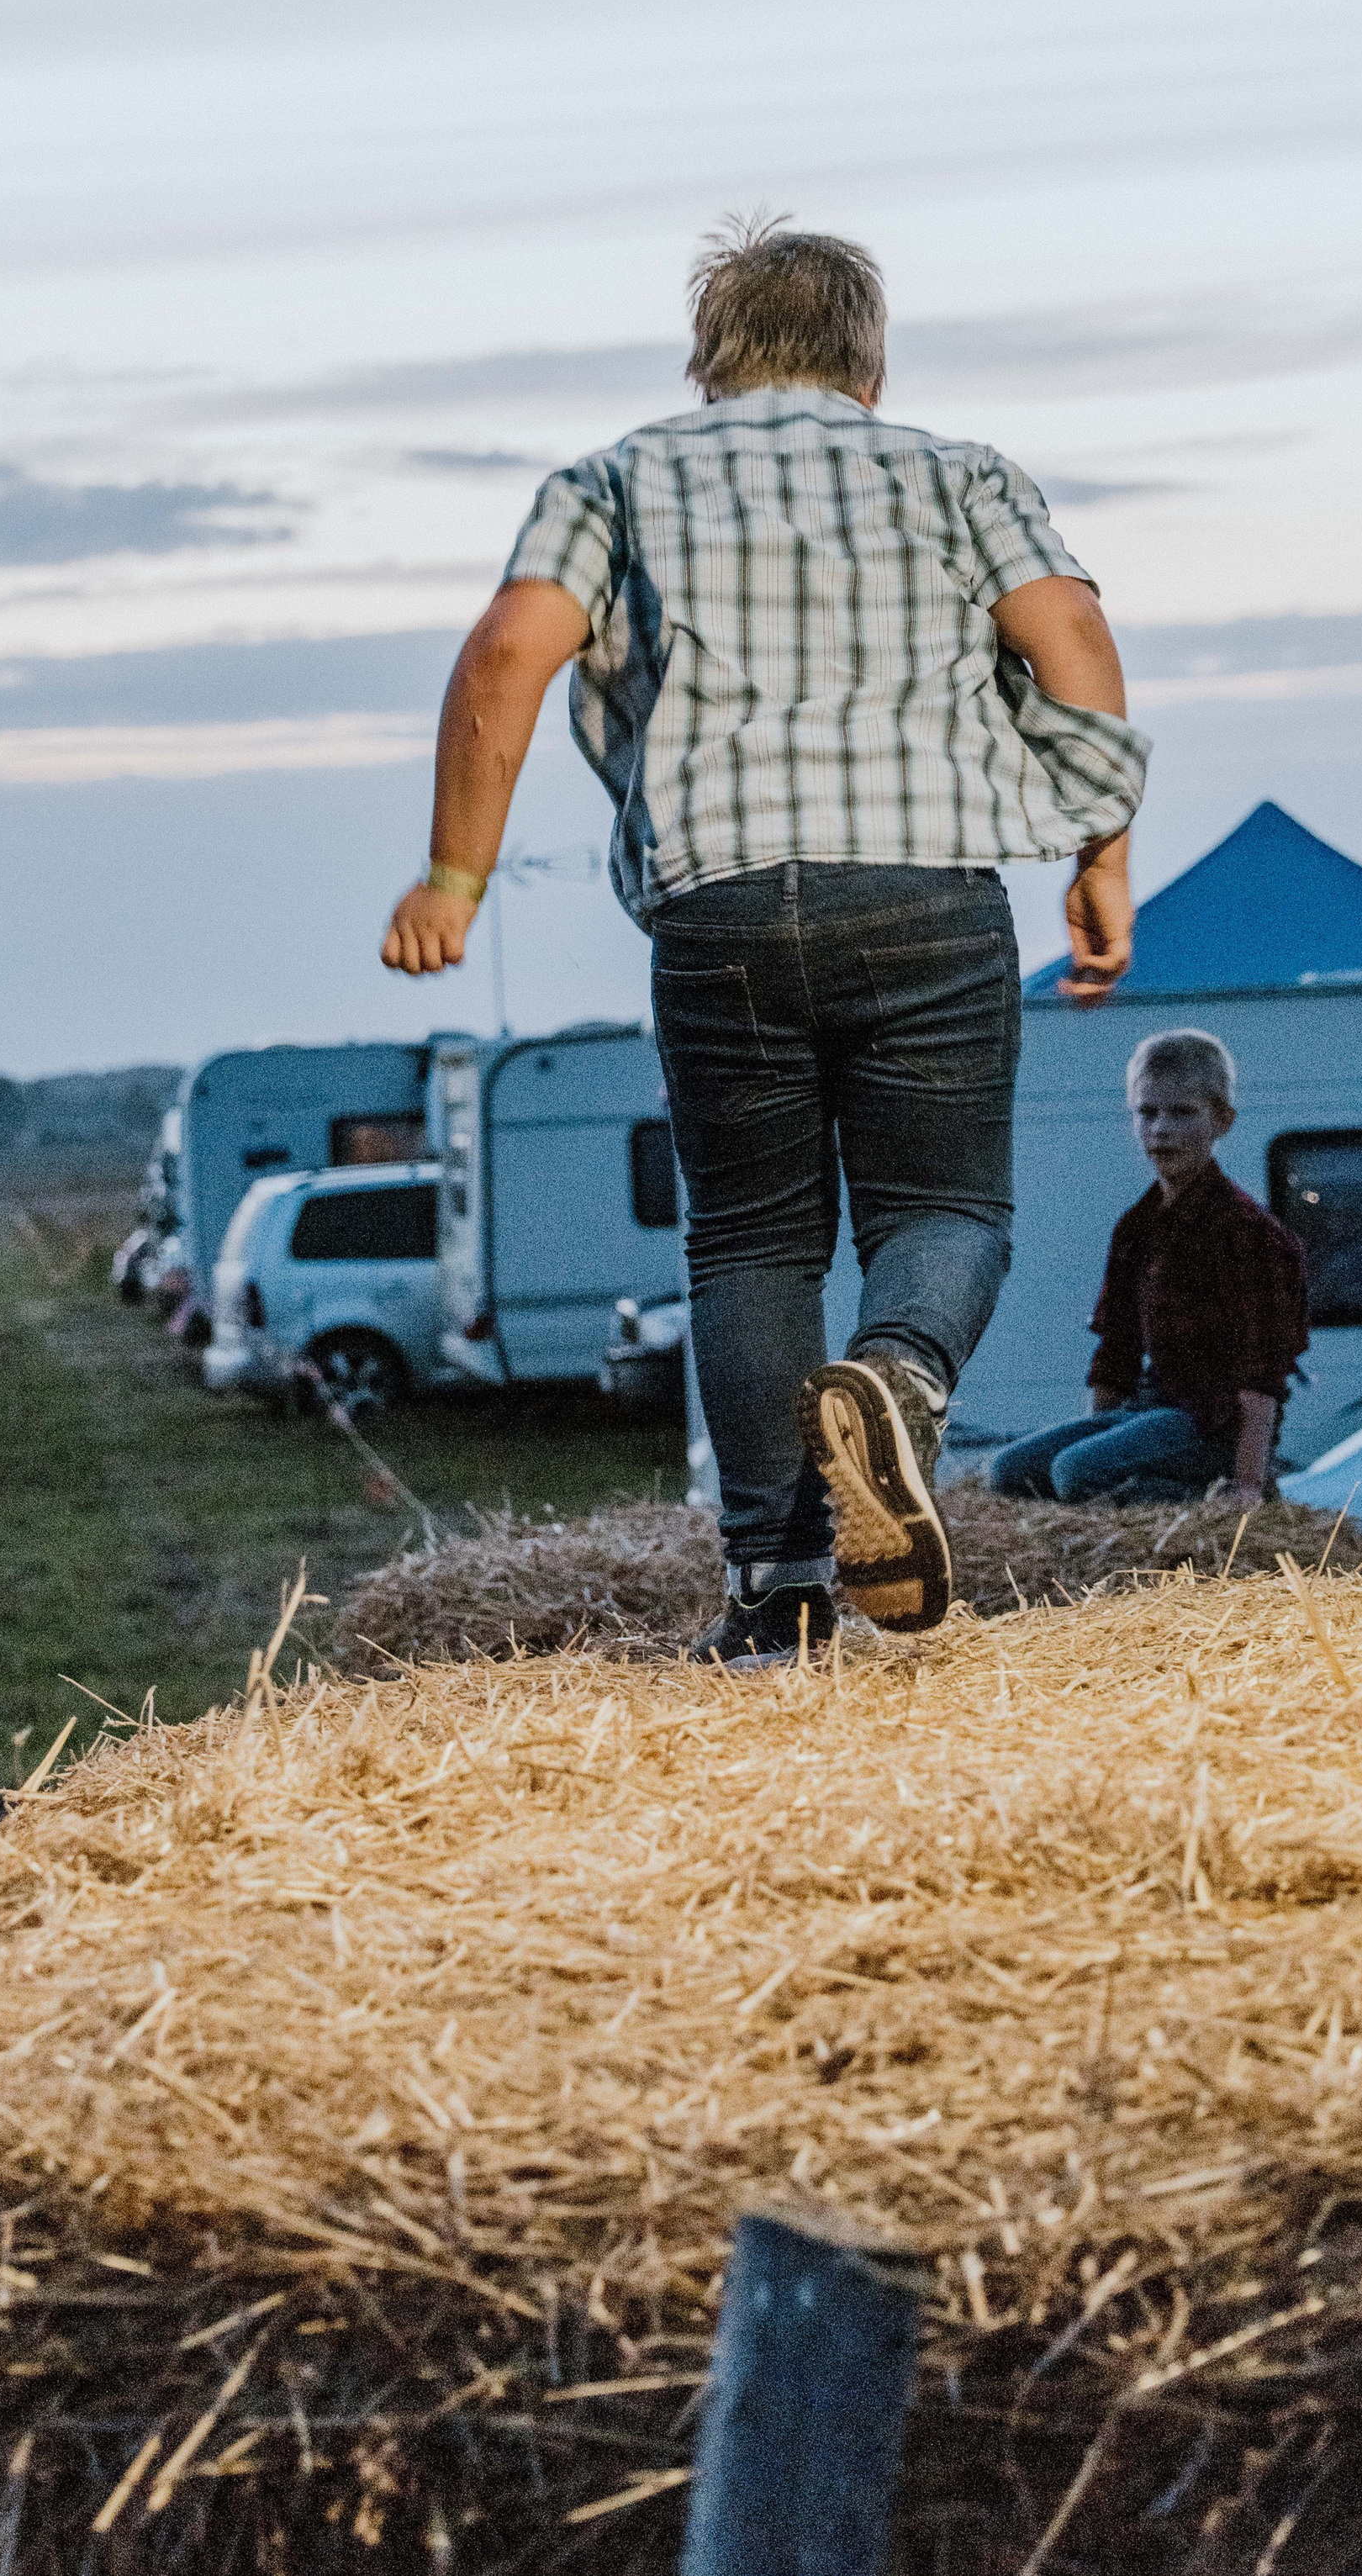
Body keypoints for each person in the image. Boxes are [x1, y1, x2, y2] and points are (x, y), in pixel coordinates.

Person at [381, 214, 1148, 1665]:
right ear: (870, 362)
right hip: (925, 883)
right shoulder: (960, 474)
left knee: (750, 1240)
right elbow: (1074, 643)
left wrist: (455, 879)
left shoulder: (613, 479)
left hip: (718, 896)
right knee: (945, 1210)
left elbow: (506, 656)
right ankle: (900, 1382)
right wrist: (1100, 852)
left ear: (709, 360)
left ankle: (776, 1593)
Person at [989, 1027, 1308, 1507]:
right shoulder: (1137, 1226)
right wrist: (1098, 1437)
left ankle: (1212, 1502)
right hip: (1151, 1408)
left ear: (1222, 1121)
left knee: (1075, 1473)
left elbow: (1262, 1375)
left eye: (1182, 1113)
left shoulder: (1249, 1233)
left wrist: (1247, 1482)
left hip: (1216, 1424)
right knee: (1010, 1473)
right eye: (1147, 1113)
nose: (1161, 1129)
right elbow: (1116, 1350)